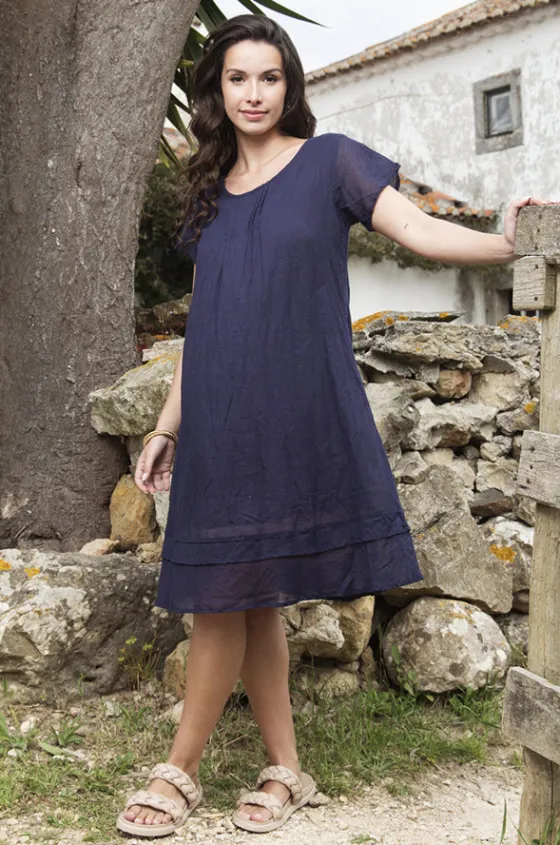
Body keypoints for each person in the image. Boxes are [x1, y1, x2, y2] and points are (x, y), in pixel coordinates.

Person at [116, 12, 549, 840]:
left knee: (231, 592)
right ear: (216, 90)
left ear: (290, 86)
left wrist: (505, 239)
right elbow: (204, 323)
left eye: (269, 77)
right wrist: (169, 423)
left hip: (293, 413)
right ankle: (286, 768)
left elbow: (418, 230)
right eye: (237, 78)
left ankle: (180, 768)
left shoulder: (331, 161)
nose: (253, 93)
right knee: (242, 593)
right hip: (219, 422)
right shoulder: (208, 193)